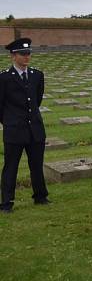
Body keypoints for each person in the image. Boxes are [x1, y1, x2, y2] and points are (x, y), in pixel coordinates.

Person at [0, 38, 48, 213]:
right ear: (13, 56)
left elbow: (37, 99)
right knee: (10, 167)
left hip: (35, 129)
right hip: (14, 130)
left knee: (36, 165)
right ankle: (6, 202)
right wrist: (10, 121)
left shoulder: (37, 75)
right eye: (23, 54)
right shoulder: (4, 78)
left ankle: (40, 196)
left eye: (29, 53)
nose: (27, 57)